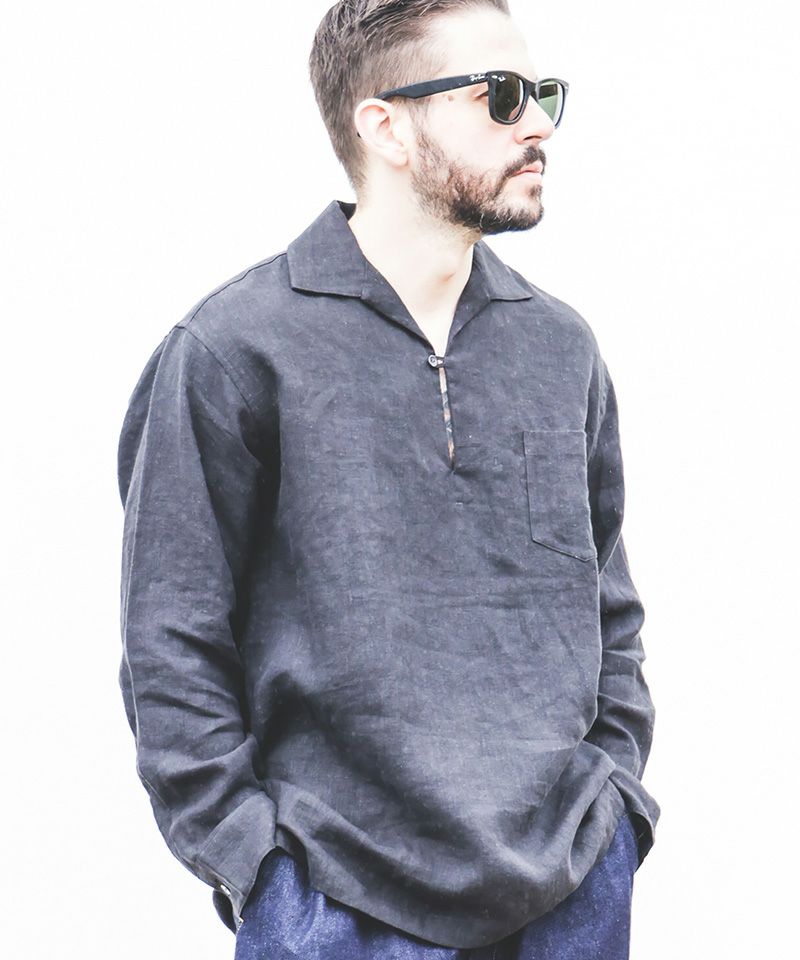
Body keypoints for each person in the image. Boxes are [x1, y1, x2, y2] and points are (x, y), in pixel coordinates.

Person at [116, 1, 660, 957]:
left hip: (569, 895)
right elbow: (171, 639)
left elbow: (607, 607)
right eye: (500, 96)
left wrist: (614, 811)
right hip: (334, 902)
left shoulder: (559, 347)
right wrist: (256, 863)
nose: (537, 124)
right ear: (386, 126)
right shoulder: (234, 349)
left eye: (540, 94)